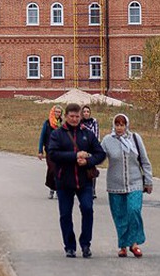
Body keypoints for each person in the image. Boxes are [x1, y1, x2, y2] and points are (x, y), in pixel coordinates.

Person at [47, 102, 106, 258]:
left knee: (87, 209)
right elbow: (53, 153)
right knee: (65, 215)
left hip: (84, 181)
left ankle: (86, 244)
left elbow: (100, 154)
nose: (74, 119)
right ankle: (69, 246)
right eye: (71, 116)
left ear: (81, 117)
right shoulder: (57, 134)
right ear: (66, 116)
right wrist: (75, 156)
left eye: (77, 116)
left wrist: (88, 161)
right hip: (64, 181)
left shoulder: (87, 133)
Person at [100, 112, 153, 258]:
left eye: (122, 125)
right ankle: (123, 246)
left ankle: (134, 244)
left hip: (135, 183)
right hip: (115, 184)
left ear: (126, 125)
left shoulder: (135, 138)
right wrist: (87, 159)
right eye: (117, 124)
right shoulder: (107, 140)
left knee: (134, 210)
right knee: (120, 215)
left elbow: (145, 161)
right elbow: (99, 158)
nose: (119, 128)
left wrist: (148, 181)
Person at [36, 105, 63, 199]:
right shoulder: (47, 123)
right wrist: (40, 151)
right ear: (53, 112)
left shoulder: (62, 124)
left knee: (58, 170)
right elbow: (42, 137)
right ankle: (52, 187)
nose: (57, 114)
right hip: (49, 150)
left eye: (59, 112)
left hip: (59, 151)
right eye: (56, 112)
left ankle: (57, 190)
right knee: (51, 169)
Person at [80, 105, 100, 199]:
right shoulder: (79, 123)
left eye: (88, 111)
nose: (86, 113)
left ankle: (92, 190)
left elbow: (95, 134)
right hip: (82, 149)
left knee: (92, 169)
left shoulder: (94, 122)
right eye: (84, 112)